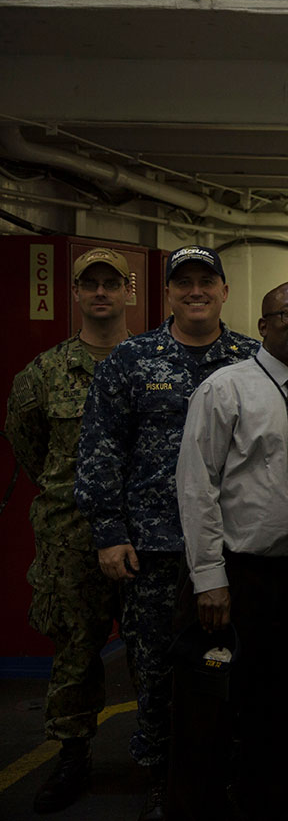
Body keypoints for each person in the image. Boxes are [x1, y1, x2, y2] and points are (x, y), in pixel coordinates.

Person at [76, 244, 257, 821]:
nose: (196, 291)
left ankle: (228, 772)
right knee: (154, 671)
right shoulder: (130, 361)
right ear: (168, 293)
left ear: (225, 291)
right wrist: (109, 532)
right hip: (153, 550)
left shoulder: (251, 361)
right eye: (185, 284)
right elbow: (101, 451)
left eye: (208, 281)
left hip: (235, 547)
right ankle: (162, 776)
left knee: (233, 667)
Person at [175, 282, 288, 819]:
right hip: (234, 576)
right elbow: (196, 484)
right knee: (211, 711)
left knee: (283, 706)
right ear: (263, 325)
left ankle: (266, 801)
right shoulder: (225, 389)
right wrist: (209, 577)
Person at [5, 247, 131, 813]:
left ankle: (160, 756)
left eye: (111, 283)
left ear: (128, 291)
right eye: (90, 285)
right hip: (70, 536)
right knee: (76, 652)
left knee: (153, 651)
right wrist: (69, 493)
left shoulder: (149, 363)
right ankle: (72, 755)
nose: (100, 293)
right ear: (76, 295)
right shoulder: (44, 373)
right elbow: (27, 444)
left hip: (144, 531)